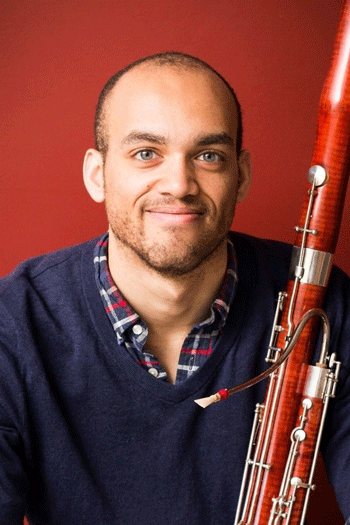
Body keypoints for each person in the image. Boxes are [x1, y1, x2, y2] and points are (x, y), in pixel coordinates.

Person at [0, 52, 349, 525]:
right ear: (97, 174)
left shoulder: (322, 306)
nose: (179, 184)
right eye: (146, 153)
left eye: (209, 155)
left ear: (240, 176)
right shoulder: (13, 325)